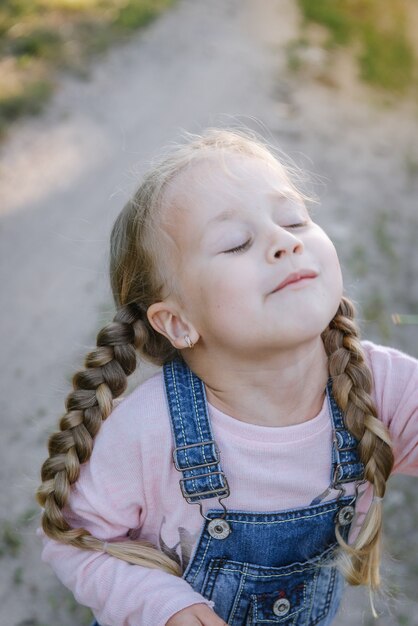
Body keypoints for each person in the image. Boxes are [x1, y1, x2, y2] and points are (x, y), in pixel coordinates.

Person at [37, 128, 418, 626]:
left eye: (295, 220)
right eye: (237, 244)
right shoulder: (149, 433)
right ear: (177, 322)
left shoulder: (379, 386)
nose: (284, 242)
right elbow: (76, 542)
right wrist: (163, 606)